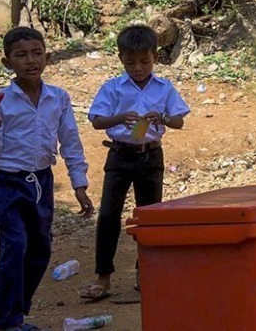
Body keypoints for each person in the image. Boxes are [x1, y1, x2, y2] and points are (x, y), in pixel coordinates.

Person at [0, 27, 93, 331]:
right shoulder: (0, 99)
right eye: (21, 55)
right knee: (15, 245)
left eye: (37, 53)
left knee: (41, 249)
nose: (31, 61)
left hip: (42, 182)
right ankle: (8, 320)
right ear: (7, 63)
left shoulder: (58, 98)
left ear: (48, 57)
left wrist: (79, 183)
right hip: (7, 182)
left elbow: (70, 141)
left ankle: (19, 310)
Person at [80, 25, 190, 300]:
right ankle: (102, 277)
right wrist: (119, 117)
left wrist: (161, 118)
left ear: (155, 57)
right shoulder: (113, 88)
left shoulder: (164, 88)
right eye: (131, 63)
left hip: (151, 156)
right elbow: (96, 120)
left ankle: (146, 272)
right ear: (121, 59)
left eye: (144, 62)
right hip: (119, 155)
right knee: (107, 216)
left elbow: (179, 120)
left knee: (149, 217)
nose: (138, 68)